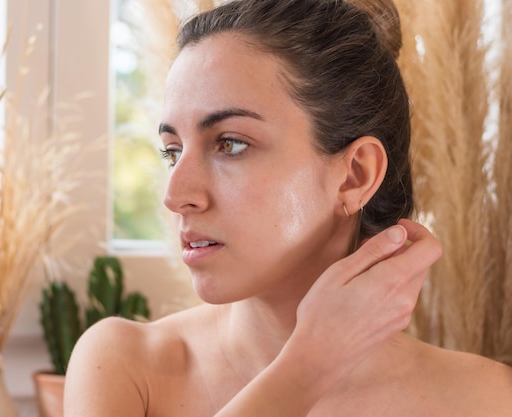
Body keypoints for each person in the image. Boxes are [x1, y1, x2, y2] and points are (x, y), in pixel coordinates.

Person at [65, 0, 512, 415]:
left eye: (230, 144)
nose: (175, 194)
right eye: (172, 150)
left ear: (355, 174)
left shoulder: (484, 400)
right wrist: (310, 364)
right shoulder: (124, 366)